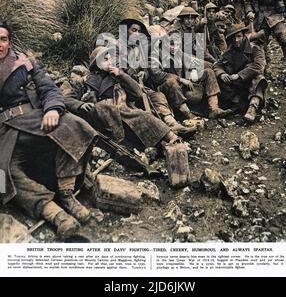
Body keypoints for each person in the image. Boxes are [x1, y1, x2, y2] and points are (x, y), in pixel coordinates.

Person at [0, 21, 98, 239]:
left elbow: (49, 88)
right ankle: (53, 213)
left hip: (35, 119)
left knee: (75, 126)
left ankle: (66, 193)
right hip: (5, 132)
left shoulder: (24, 62)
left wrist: (52, 109)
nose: (0, 44)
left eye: (3, 39)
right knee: (1, 174)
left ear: (9, 41)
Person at [62, 46, 182, 168]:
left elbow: (138, 94)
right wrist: (81, 105)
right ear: (96, 64)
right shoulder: (86, 81)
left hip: (125, 114)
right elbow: (66, 97)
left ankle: (172, 140)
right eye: (105, 59)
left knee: (142, 115)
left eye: (110, 58)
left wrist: (121, 75)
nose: (110, 61)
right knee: (112, 110)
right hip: (103, 119)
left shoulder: (117, 77)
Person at [213, 23, 268, 123]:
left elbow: (259, 66)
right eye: (233, 38)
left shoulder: (254, 48)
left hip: (251, 85)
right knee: (217, 79)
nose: (236, 40)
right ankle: (237, 103)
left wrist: (239, 75)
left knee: (259, 78)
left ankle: (253, 107)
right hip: (237, 87)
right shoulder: (229, 52)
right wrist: (222, 74)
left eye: (239, 36)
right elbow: (217, 65)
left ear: (244, 36)